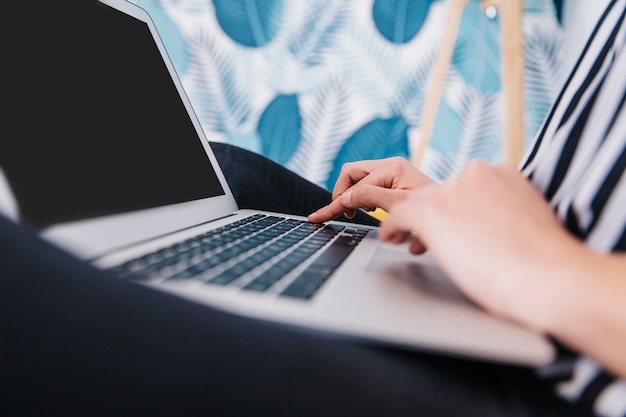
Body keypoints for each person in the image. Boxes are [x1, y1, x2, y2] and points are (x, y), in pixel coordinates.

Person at [1, 2, 624, 417]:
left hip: (551, 384)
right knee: (224, 172)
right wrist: (451, 211)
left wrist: (541, 264)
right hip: (513, 301)